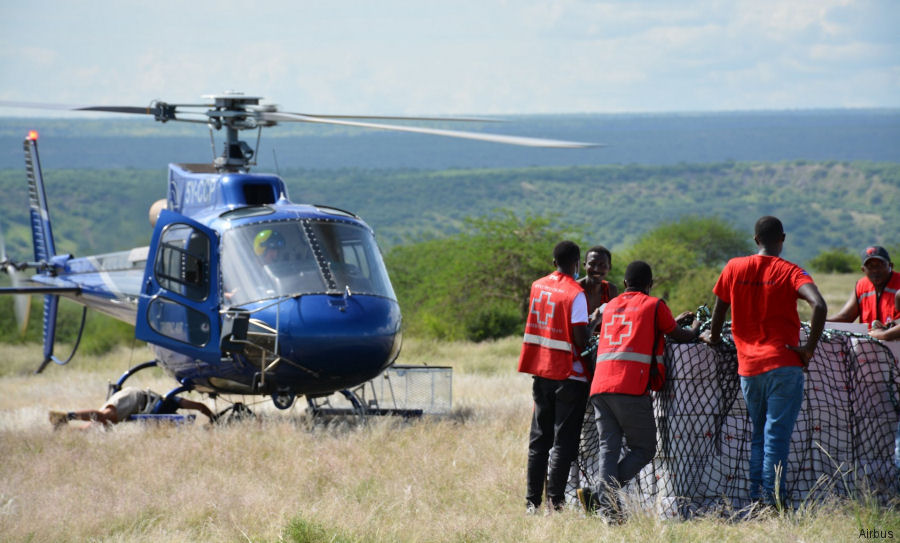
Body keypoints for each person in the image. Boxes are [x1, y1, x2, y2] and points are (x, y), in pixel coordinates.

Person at [701, 216, 826, 508]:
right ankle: (773, 502)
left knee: (759, 435)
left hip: (749, 368)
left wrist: (715, 338)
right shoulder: (791, 271)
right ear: (782, 238)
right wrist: (808, 349)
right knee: (777, 437)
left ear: (756, 240)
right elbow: (819, 305)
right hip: (784, 365)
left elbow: (720, 308)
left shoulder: (734, 267)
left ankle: (757, 498)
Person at [576, 260, 700, 520]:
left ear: (624, 284)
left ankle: (608, 510)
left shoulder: (609, 307)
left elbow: (624, 327)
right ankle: (601, 495)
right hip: (629, 386)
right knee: (644, 448)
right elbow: (681, 336)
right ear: (650, 284)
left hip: (600, 386)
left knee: (608, 448)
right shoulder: (654, 305)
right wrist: (697, 326)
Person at [519, 240, 591, 514]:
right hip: (569, 376)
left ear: (553, 263)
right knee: (563, 442)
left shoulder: (537, 286)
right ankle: (556, 503)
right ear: (577, 263)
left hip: (540, 372)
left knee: (539, 440)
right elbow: (580, 338)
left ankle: (531, 503)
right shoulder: (576, 293)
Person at [49, 387, 216, 429]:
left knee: (98, 427)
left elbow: (200, 407)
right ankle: (66, 417)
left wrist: (211, 418)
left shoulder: (168, 406)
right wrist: (213, 418)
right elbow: (199, 406)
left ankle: (64, 429)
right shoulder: (172, 401)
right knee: (107, 416)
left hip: (134, 398)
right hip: (135, 398)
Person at [828, 245, 900, 326]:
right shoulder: (861, 286)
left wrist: (884, 334)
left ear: (891, 266)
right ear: (863, 270)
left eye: (880, 265)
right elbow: (846, 317)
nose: (875, 270)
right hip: (868, 337)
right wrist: (820, 322)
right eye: (870, 266)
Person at [578, 245, 619, 330]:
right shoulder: (575, 289)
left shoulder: (611, 290)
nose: (596, 269)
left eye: (602, 265)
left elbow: (614, 322)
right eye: (592, 264)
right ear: (584, 265)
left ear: (609, 267)